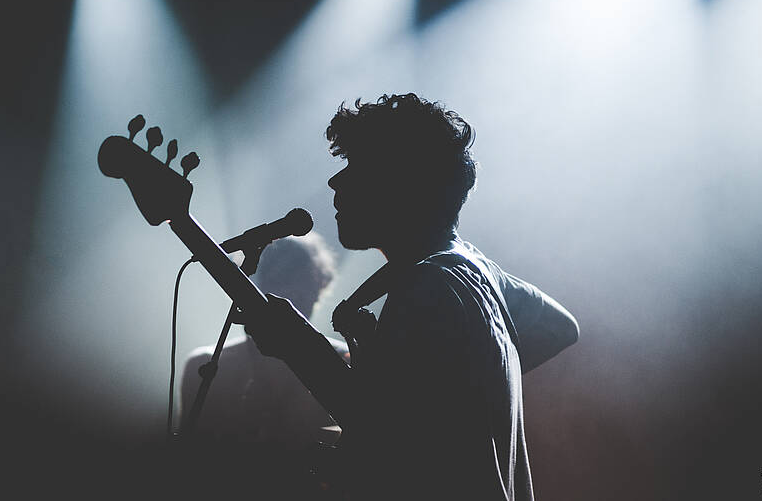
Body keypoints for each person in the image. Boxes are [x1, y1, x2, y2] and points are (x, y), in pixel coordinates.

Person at [244, 93, 579, 500]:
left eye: (356, 167)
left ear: (402, 184)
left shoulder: (427, 286)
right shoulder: (473, 270)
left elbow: (379, 428)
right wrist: (463, 386)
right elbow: (562, 327)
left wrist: (298, 344)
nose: (336, 182)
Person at [178, 232, 348, 495]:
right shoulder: (205, 365)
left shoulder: (348, 362)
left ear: (319, 287)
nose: (289, 294)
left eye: (299, 280)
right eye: (280, 279)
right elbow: (192, 462)